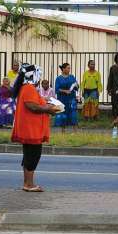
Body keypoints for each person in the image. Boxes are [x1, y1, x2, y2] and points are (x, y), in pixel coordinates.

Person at [11, 63, 61, 192]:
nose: (39, 79)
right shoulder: (28, 88)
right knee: (33, 155)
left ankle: (27, 183)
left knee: (28, 155)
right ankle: (29, 184)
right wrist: (48, 109)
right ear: (33, 76)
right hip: (31, 129)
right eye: (38, 76)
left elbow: (34, 103)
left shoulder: (27, 87)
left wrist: (46, 105)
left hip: (30, 127)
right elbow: (32, 106)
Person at [54, 63, 78, 130]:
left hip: (71, 98)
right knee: (63, 114)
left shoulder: (72, 77)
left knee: (73, 114)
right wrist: (65, 91)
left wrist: (76, 86)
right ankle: (63, 130)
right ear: (63, 69)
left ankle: (75, 130)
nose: (69, 69)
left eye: (69, 68)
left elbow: (76, 86)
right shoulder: (58, 78)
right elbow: (57, 89)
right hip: (62, 99)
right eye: (68, 68)